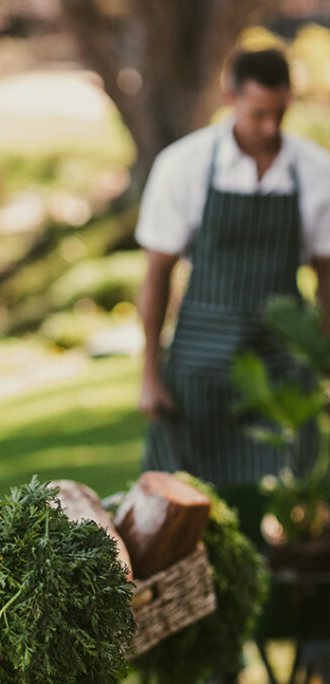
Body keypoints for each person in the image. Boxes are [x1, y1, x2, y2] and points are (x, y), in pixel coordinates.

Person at [136, 47, 330, 540]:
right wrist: (150, 374)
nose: (269, 127)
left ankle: (290, 597)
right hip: (199, 366)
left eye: (279, 113)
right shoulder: (183, 165)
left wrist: (323, 360)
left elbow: (326, 277)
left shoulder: (315, 170)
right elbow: (157, 275)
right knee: (187, 510)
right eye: (258, 113)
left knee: (295, 500)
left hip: (280, 364)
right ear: (230, 97)